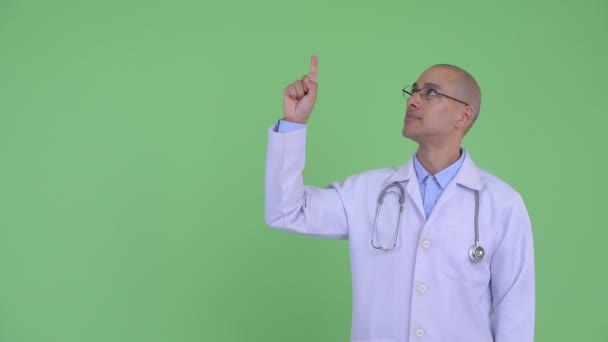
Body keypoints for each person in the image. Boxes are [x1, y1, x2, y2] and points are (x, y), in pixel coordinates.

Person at [264, 55, 535, 342]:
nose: (413, 101)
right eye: (413, 91)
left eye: (430, 93)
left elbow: (515, 318)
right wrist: (294, 125)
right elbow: (287, 211)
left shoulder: (502, 204)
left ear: (464, 115)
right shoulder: (366, 192)